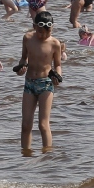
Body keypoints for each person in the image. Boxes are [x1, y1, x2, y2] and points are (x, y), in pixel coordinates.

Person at [17, 10, 65, 151]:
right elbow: (23, 58)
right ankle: (25, 154)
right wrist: (22, 67)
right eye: (40, 31)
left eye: (47, 32)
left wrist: (57, 76)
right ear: (34, 26)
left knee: (43, 124)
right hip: (29, 83)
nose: (43, 35)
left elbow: (57, 65)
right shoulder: (27, 38)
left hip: (46, 84)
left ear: (52, 28)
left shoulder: (55, 43)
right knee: (26, 124)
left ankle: (47, 156)